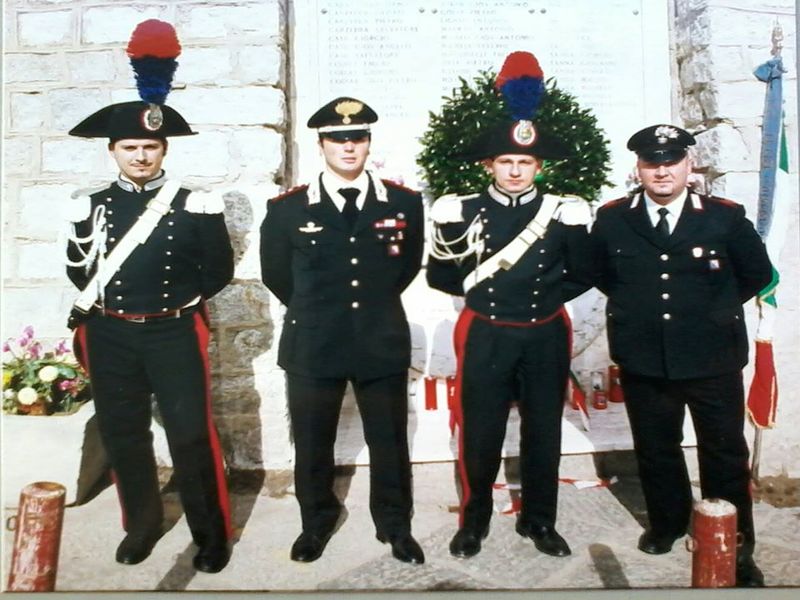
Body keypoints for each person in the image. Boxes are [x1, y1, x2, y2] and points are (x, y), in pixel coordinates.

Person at [64, 20, 234, 573]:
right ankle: (141, 523)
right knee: (124, 433)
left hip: (171, 330)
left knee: (189, 435)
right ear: (112, 151)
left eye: (150, 147)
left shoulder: (196, 203)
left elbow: (218, 271)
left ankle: (211, 534)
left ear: (164, 150)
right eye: (130, 147)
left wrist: (176, 304)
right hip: (111, 331)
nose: (140, 156)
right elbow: (77, 271)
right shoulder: (89, 203)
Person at [426, 51, 593, 559]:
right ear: (489, 165)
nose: (516, 171)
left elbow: (584, 273)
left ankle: (539, 521)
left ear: (537, 166)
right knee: (479, 431)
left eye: (525, 162)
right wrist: (449, 225)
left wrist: (540, 300)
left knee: (543, 431)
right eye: (507, 161)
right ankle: (473, 522)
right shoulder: (463, 209)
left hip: (543, 331)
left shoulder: (564, 212)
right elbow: (440, 276)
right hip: (488, 331)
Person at [591, 124, 772, 587]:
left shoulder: (724, 217)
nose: (662, 171)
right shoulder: (614, 218)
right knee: (656, 449)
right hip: (644, 357)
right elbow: (605, 275)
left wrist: (710, 313)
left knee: (724, 453)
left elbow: (756, 273)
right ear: (639, 169)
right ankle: (667, 522)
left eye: (671, 161)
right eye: (652, 163)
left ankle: (736, 542)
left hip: (712, 357)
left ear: (689, 165)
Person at [259, 97, 425, 565]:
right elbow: (278, 275)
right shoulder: (287, 209)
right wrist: (322, 312)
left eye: (358, 137)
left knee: (389, 440)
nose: (349, 146)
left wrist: (367, 308)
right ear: (321, 144)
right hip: (314, 341)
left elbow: (405, 267)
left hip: (380, 338)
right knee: (313, 441)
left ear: (369, 142)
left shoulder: (404, 203)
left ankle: (394, 524)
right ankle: (315, 523)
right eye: (338, 138)